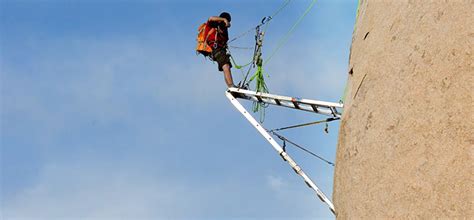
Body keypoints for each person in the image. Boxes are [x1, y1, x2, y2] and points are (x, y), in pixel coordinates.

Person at [207, 12, 235, 88]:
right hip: (216, 50)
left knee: (226, 67)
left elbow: (225, 40)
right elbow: (210, 18)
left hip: (220, 51)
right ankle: (232, 86)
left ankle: (230, 86)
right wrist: (224, 19)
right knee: (226, 66)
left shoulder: (225, 32)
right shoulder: (214, 24)